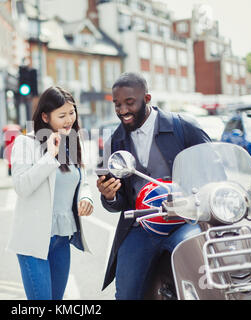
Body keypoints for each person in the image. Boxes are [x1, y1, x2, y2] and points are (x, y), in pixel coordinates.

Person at [96, 72, 211, 300]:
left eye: (130, 103)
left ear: (147, 98)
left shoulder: (183, 127)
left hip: (185, 222)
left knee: (203, 283)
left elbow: (212, 169)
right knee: (126, 294)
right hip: (141, 227)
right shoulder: (114, 142)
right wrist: (109, 196)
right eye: (117, 105)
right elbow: (115, 202)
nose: (122, 111)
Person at [7, 86, 94, 300]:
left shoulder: (70, 142)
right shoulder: (25, 143)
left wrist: (86, 196)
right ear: (45, 117)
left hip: (61, 239)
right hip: (34, 239)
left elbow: (80, 180)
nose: (69, 120)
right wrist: (50, 157)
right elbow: (21, 186)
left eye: (71, 113)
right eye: (62, 115)